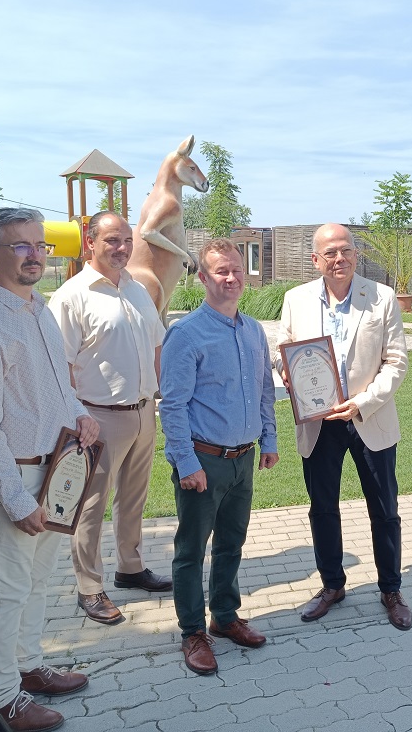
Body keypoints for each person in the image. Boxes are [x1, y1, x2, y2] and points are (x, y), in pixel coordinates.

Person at [0, 207, 100, 732]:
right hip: (15, 478)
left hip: (54, 473)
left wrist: (79, 415)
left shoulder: (38, 311)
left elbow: (52, 388)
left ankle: (29, 668)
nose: (35, 255)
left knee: (36, 584)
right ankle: (4, 695)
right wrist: (15, 499)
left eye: (40, 245)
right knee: (6, 592)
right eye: (21, 246)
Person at [275, 223, 412, 630]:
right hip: (318, 424)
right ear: (315, 259)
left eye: (346, 250)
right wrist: (288, 373)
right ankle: (332, 585)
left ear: (356, 254)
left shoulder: (381, 298)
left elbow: (396, 362)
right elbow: (284, 353)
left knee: (385, 510)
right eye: (330, 252)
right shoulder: (295, 299)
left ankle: (391, 589)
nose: (339, 259)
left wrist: (362, 402)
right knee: (322, 509)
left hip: (368, 417)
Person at [159, 239, 279, 676]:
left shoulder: (252, 330)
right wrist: (185, 463)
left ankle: (225, 617)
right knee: (191, 550)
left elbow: (265, 391)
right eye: (220, 272)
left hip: (243, 459)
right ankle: (193, 632)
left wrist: (269, 439)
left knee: (232, 543)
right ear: (203, 278)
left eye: (236, 271)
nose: (230, 278)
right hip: (203, 462)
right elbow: (171, 406)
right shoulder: (186, 333)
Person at [47, 211, 170, 626]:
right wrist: (77, 416)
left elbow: (156, 346)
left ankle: (130, 568)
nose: (121, 248)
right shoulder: (71, 296)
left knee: (133, 499)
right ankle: (88, 587)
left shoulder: (135, 289)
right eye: (112, 240)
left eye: (126, 240)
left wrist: (159, 395)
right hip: (96, 418)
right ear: (90, 242)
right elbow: (58, 366)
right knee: (90, 507)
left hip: (141, 412)